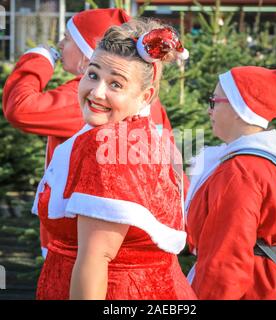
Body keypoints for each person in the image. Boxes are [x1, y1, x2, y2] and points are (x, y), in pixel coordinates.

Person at [31, 18, 196, 300]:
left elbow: (96, 259)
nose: (97, 92)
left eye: (115, 84)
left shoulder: (109, 149)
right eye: (93, 75)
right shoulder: (134, 135)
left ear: (145, 96)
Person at [2, 8, 181, 259]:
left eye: (68, 38)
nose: (61, 44)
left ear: (88, 52)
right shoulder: (145, 100)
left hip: (82, 250)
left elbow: (20, 108)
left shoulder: (87, 98)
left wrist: (38, 58)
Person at [185, 66, 276, 300]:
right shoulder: (269, 159)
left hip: (254, 290)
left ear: (239, 109)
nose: (209, 110)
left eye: (214, 100)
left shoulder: (240, 171)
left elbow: (225, 263)